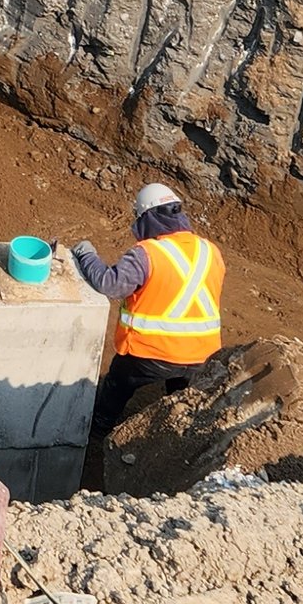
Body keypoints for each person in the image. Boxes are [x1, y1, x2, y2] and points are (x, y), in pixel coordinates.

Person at [70, 180, 225, 487]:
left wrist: (85, 253)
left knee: (115, 387)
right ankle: (175, 439)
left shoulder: (146, 254)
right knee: (181, 399)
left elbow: (109, 284)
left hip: (147, 354)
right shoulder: (211, 251)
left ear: (147, 218)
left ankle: (97, 435)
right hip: (201, 354)